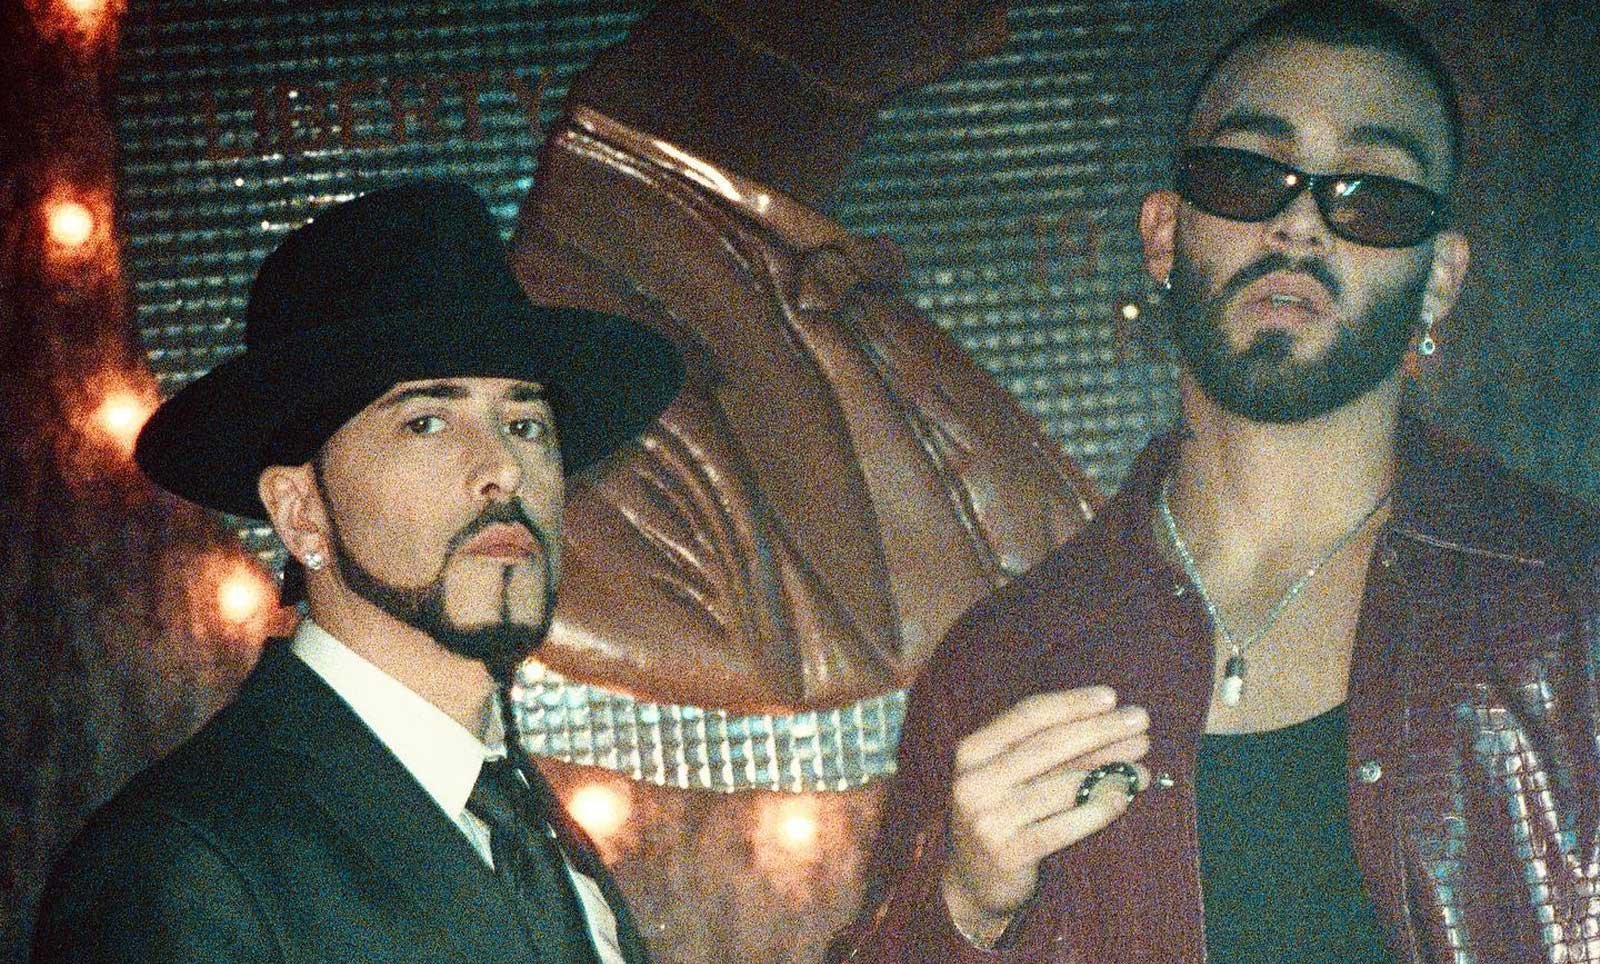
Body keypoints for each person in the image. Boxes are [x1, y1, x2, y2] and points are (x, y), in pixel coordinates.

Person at [829, 2, 1600, 962]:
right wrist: (962, 910)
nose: (1299, 225)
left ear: (1438, 277)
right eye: (1248, 175)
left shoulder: (1571, 617)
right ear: (1164, 234)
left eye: (1372, 196)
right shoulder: (1005, 665)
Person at [29, 180, 682, 963]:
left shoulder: (531, 826)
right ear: (301, 511)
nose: (504, 468)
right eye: (427, 422)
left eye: (526, 423)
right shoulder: (181, 870)